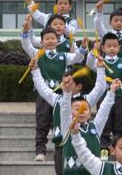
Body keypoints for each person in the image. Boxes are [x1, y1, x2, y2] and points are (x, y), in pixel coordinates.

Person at [31, 60, 106, 175]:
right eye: (63, 82)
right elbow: (43, 88)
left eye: (69, 82)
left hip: (85, 147)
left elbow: (100, 88)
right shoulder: (57, 99)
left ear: (78, 87)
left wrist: (100, 69)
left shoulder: (86, 101)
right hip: (62, 147)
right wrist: (36, 70)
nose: (65, 84)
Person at [21, 16, 85, 162]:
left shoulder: (63, 56)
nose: (50, 41)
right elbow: (26, 45)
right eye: (47, 39)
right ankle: (40, 151)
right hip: (43, 95)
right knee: (42, 121)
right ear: (41, 42)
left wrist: (83, 48)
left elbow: (77, 58)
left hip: (60, 95)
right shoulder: (37, 54)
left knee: (62, 121)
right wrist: (25, 32)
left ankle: (64, 148)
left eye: (52, 38)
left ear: (57, 41)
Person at [86, 32, 122, 148]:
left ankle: (119, 147)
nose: (112, 48)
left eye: (115, 46)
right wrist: (93, 51)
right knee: (104, 122)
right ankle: (104, 148)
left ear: (119, 48)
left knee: (120, 123)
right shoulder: (100, 62)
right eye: (109, 46)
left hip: (121, 97)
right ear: (103, 47)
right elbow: (89, 63)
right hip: (104, 97)